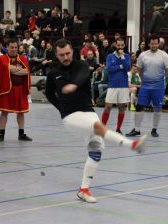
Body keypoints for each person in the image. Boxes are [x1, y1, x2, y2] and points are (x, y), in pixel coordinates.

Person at [45, 39, 147, 203]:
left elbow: (82, 76)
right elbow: (49, 93)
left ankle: (83, 189)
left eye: (68, 53)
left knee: (96, 150)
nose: (65, 57)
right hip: (71, 116)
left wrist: (74, 86)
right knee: (98, 127)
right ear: (56, 54)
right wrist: (61, 109)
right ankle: (132, 145)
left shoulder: (82, 66)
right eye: (61, 54)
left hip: (88, 111)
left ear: (72, 51)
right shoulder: (53, 72)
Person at [126, 35, 168, 138]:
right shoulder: (143, 55)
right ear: (149, 44)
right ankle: (137, 129)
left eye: (156, 43)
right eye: (152, 43)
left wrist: (161, 78)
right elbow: (139, 69)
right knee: (139, 106)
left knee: (158, 108)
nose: (154, 45)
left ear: (158, 44)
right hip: (145, 85)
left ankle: (154, 129)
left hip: (159, 86)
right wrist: (145, 78)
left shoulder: (164, 55)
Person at [0, 39, 32, 142]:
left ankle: (21, 134)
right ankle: (1, 134)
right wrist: (15, 70)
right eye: (12, 47)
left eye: (16, 47)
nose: (14, 49)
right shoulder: (2, 58)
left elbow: (26, 72)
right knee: (4, 112)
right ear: (7, 47)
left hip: (20, 89)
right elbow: (6, 68)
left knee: (21, 112)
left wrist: (12, 70)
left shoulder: (23, 58)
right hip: (7, 89)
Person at [101, 38, 131, 134]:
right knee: (108, 106)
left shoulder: (126, 56)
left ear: (124, 45)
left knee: (121, 107)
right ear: (115, 45)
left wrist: (122, 58)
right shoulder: (110, 56)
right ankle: (102, 128)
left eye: (122, 45)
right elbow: (109, 69)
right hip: (113, 85)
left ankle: (118, 129)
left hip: (123, 85)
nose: (120, 47)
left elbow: (128, 68)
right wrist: (120, 66)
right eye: (118, 45)